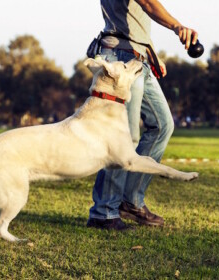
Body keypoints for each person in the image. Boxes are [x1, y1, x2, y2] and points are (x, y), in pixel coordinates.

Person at [86, 0, 199, 230]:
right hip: (121, 58)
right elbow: (147, 3)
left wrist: (151, 53)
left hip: (138, 56)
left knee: (162, 125)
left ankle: (131, 201)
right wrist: (177, 27)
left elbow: (134, 19)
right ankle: (104, 212)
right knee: (123, 139)